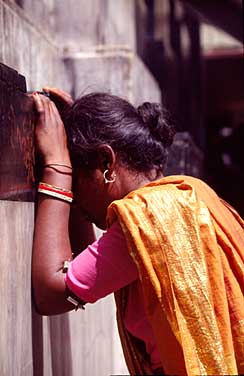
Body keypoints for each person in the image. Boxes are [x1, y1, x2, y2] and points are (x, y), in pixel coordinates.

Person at [32, 88, 244, 376]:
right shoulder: (190, 194)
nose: (75, 200)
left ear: (107, 164)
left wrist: (57, 169)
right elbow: (84, 266)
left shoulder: (146, 219)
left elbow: (50, 294)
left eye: (77, 185)